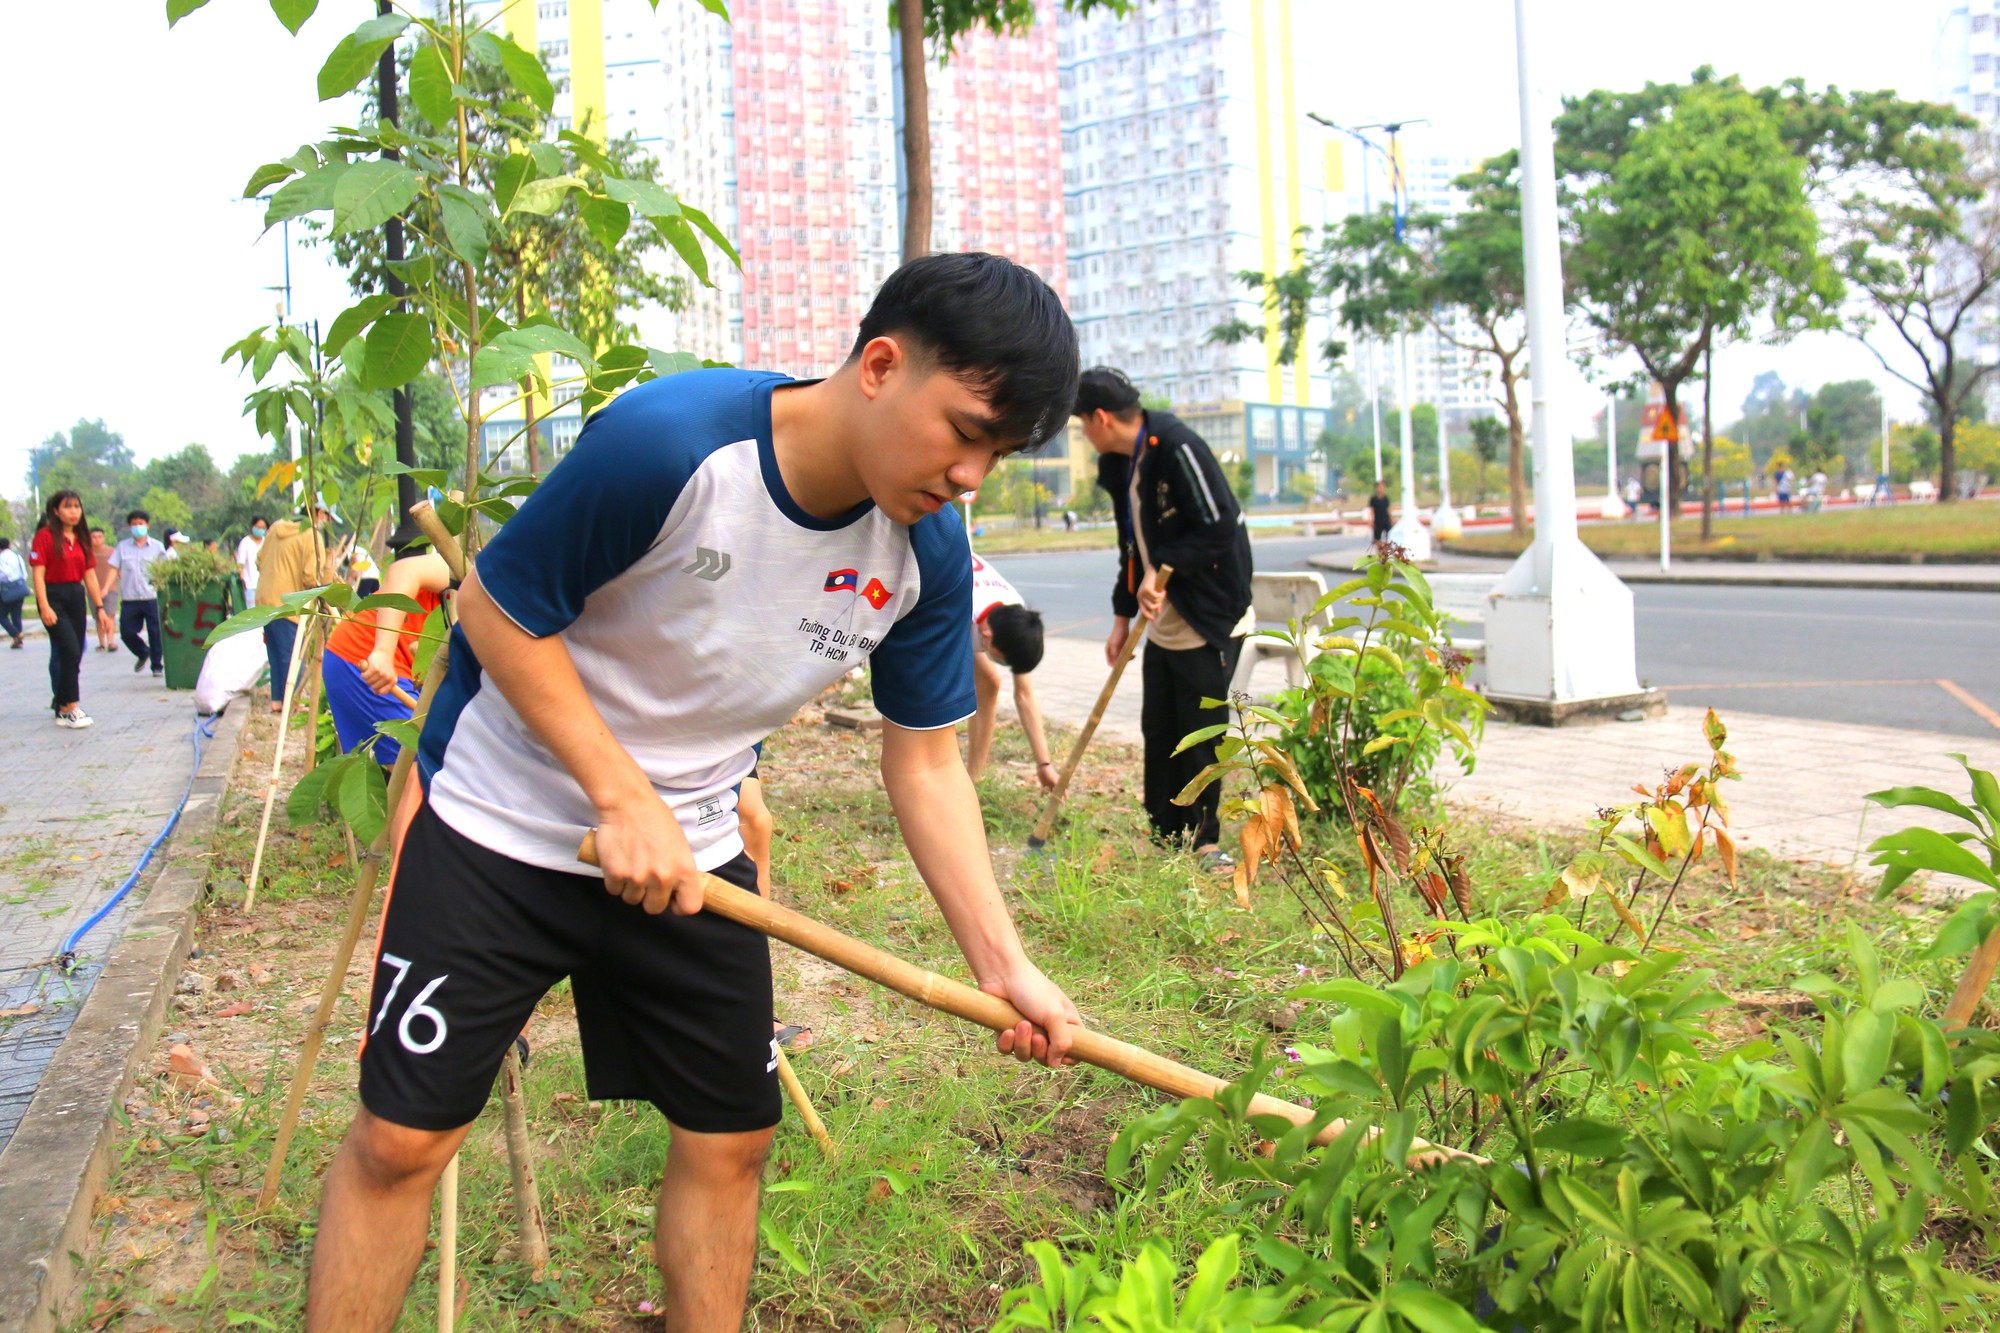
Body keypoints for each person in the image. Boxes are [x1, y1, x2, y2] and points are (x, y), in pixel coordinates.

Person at [304, 251, 1084, 1331]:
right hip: (500, 822)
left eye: (995, 455)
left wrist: (1006, 967)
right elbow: (494, 609)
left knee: (729, 1139)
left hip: (693, 855)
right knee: (401, 1140)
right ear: (880, 365)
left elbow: (924, 759)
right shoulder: (671, 445)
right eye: (963, 431)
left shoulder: (925, 554)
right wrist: (619, 796)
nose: (968, 478)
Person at [1073, 366, 1253, 874]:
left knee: (1200, 729)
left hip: (1208, 609)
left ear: (1101, 418)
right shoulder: (1117, 465)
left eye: (1082, 424)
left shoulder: (1177, 445)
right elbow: (1131, 546)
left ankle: (1205, 841)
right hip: (1163, 611)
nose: (1084, 436)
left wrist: (1165, 570)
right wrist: (1121, 613)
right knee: (1160, 726)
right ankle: (1166, 833)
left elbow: (1218, 524)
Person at [321, 552, 450, 770]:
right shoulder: (481, 569)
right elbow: (404, 571)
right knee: (421, 770)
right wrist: (382, 651)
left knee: (422, 772)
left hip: (397, 668)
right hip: (367, 658)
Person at [964, 550, 1057, 789]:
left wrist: (1043, 764)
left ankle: (973, 778)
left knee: (990, 683)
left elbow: (1024, 694)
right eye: (1002, 660)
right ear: (987, 636)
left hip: (972, 604)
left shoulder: (1015, 616)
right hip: (932, 592)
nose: (1004, 665)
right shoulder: (959, 611)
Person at [29, 490, 114, 728]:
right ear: (56, 511)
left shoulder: (82, 538)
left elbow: (90, 576)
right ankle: (70, 707)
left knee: (76, 651)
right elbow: (38, 572)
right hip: (53, 596)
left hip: (75, 597)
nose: (74, 512)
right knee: (69, 648)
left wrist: (99, 608)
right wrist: (44, 606)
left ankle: (62, 704)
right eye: (68, 507)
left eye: (77, 506)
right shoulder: (45, 537)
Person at [257, 503, 336, 713]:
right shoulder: (311, 535)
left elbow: (259, 561)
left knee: (275, 654)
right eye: (328, 518)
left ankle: (277, 701)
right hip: (287, 603)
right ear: (319, 514)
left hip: (265, 599)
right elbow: (310, 576)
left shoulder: (275, 528)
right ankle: (291, 705)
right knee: (292, 657)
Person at [103, 510, 170, 677]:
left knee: (155, 632)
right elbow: (113, 568)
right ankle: (142, 651)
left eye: (140, 523)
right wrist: (105, 588)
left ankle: (157, 665)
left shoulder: (157, 547)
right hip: (130, 597)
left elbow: (165, 570)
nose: (137, 527)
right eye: (134, 524)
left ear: (147, 525)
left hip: (151, 596)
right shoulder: (122, 547)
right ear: (129, 527)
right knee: (126, 631)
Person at [90, 526, 116, 652]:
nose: (97, 540)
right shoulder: (86, 552)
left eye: (99, 537)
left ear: (103, 537)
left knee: (110, 615)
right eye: (94, 537)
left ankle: (111, 641)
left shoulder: (112, 552)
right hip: (92, 590)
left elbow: (117, 569)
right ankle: (101, 643)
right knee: (98, 617)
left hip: (111, 588)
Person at [0, 537, 28, 649]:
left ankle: (16, 634)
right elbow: (24, 574)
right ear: (10, 545)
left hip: (7, 590)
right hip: (20, 588)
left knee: (1, 615)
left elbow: (5, 574)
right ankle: (18, 642)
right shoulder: (17, 556)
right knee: (16, 615)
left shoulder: (1, 558)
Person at [236, 515, 269, 605]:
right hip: (249, 584)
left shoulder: (266, 542)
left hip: (264, 584)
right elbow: (240, 564)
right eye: (258, 527)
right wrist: (242, 578)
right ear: (252, 527)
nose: (260, 530)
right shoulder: (245, 542)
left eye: (263, 528)